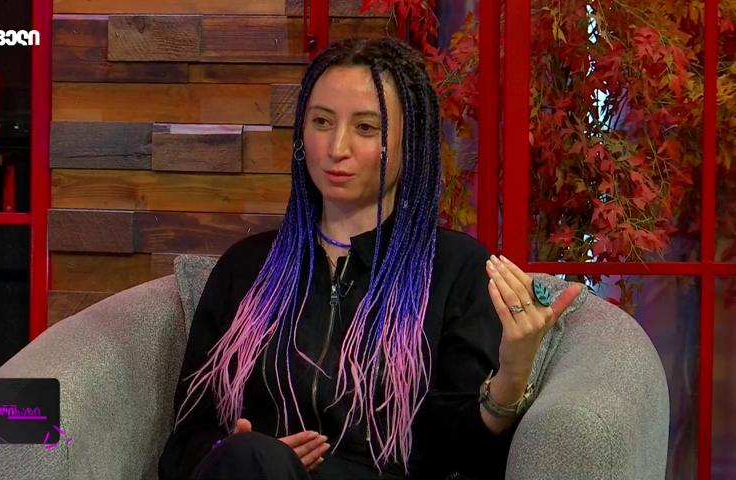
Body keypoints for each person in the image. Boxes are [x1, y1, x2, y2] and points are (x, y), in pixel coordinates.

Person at [158, 37, 581, 480]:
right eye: (322, 122)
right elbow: (184, 445)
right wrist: (240, 450)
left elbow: (465, 457)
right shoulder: (247, 268)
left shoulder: (454, 269)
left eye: (365, 127)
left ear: (409, 143)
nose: (336, 147)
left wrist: (513, 372)